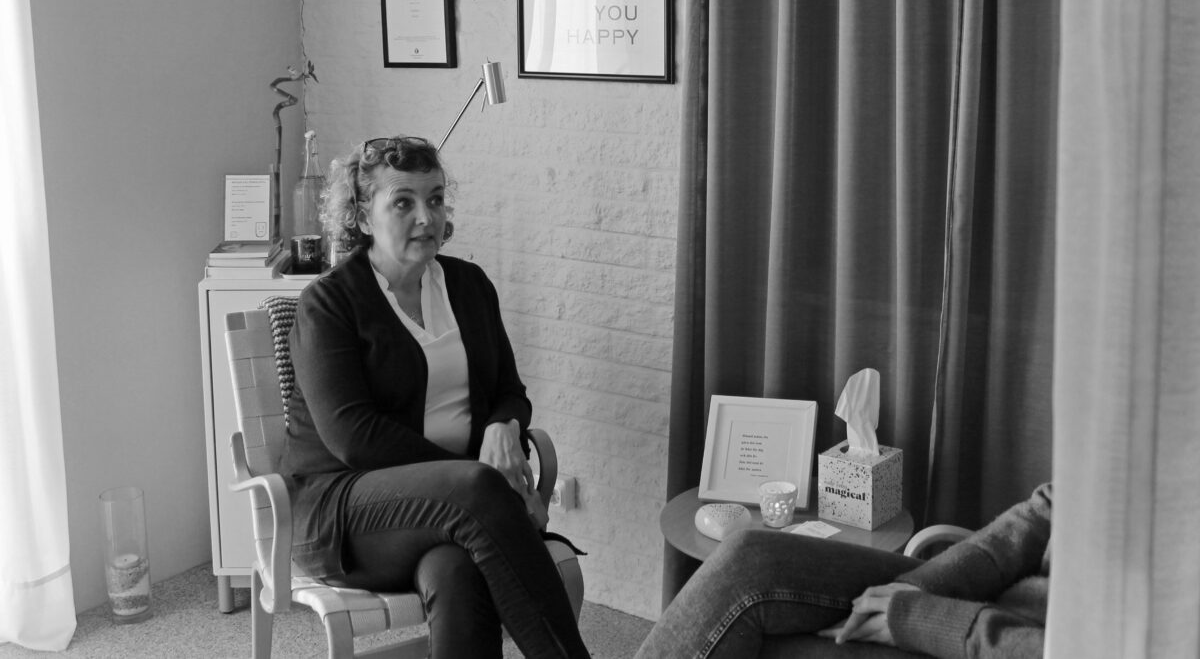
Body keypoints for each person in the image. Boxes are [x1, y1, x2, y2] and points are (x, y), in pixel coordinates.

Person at [278, 135, 590, 659]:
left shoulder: (469, 286)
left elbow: (509, 392)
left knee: (455, 567)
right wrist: (478, 480)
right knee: (476, 496)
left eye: (436, 198)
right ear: (362, 216)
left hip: (458, 509)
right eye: (403, 202)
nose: (427, 217)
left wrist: (503, 426)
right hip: (342, 513)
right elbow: (355, 439)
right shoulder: (328, 305)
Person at [635, 484, 1052, 659]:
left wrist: (932, 620)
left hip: (1003, 643)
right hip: (992, 610)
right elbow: (1040, 515)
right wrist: (917, 588)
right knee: (749, 559)